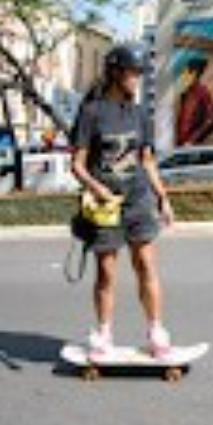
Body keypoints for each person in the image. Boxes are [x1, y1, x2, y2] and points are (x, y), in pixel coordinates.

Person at [71, 44, 177, 362]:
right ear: (116, 73)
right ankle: (103, 333)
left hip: (138, 200)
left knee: (146, 265)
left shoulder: (140, 113)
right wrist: (96, 187)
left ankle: (156, 331)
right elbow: (76, 164)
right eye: (133, 73)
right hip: (106, 204)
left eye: (139, 74)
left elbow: (147, 160)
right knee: (106, 272)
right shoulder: (91, 112)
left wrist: (163, 198)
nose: (137, 79)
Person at [175, 57, 213, 146]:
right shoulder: (185, 93)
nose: (182, 75)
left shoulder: (202, 92)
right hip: (180, 144)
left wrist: (192, 140)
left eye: (185, 72)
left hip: (191, 145)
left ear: (194, 74)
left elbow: (212, 118)